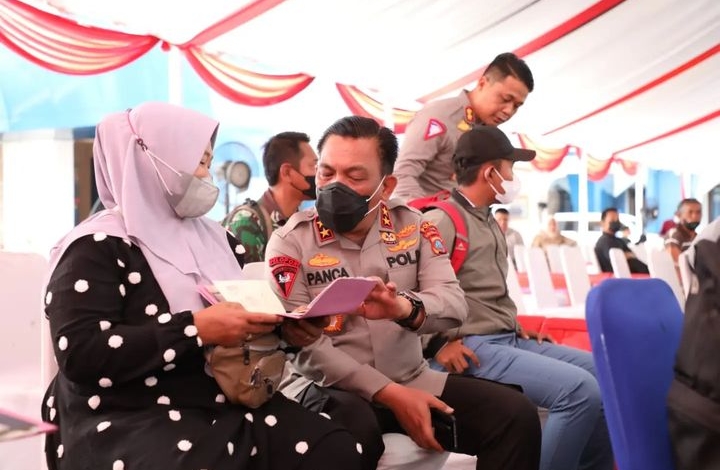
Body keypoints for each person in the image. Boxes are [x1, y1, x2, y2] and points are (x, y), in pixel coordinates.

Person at [40, 102, 362, 470]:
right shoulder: (96, 247)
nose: (207, 175)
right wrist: (195, 329)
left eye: (208, 163)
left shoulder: (219, 241)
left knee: (336, 448)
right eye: (199, 162)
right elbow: (81, 354)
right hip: (126, 412)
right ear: (153, 160)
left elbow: (243, 325)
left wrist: (287, 332)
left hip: (224, 399)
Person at [265, 116, 541, 470]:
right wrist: (391, 395)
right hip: (328, 387)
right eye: (326, 173)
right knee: (353, 435)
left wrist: (403, 308)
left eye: (354, 176)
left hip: (412, 377)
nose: (335, 186)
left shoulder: (415, 227)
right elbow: (307, 347)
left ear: (387, 186)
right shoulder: (290, 242)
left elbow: (454, 305)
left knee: (515, 416)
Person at [423, 126, 614, 470]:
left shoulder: (486, 219)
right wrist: (435, 345)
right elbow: (405, 293)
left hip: (504, 338)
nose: (513, 178)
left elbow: (483, 292)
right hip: (470, 347)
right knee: (578, 392)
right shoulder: (442, 220)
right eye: (510, 168)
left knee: (603, 372)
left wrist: (511, 322)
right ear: (490, 173)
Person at [393, 52, 534, 200]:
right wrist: (426, 212)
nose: (509, 110)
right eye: (505, 99)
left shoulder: (490, 133)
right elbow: (402, 174)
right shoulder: (439, 116)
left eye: (516, 106)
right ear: (482, 83)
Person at [223, 131, 318, 263]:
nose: (320, 173)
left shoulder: (302, 222)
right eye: (313, 166)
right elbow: (244, 276)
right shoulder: (247, 223)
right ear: (287, 172)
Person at [594, 208, 649, 274]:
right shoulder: (604, 241)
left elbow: (632, 254)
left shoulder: (618, 240)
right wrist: (626, 255)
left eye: (617, 220)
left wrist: (627, 255)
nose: (615, 222)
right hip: (619, 276)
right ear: (602, 223)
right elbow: (616, 257)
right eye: (612, 220)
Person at [664, 198, 702, 265]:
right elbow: (676, 264)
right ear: (679, 215)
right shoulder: (673, 235)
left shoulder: (699, 237)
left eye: (698, 212)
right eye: (690, 212)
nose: (695, 216)